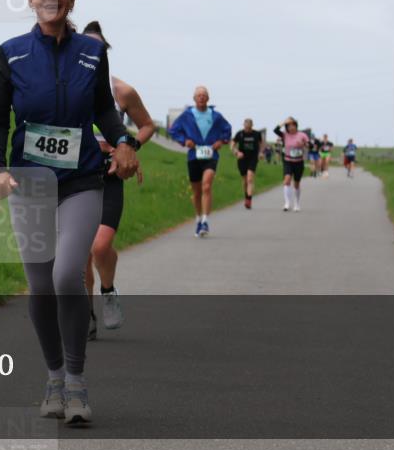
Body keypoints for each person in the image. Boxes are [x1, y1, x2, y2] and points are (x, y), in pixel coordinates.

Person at [0, 0, 136, 425]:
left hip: (80, 180)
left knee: (67, 274)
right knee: (39, 285)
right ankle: (52, 378)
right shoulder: (11, 53)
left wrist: (125, 141)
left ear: (71, 1)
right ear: (30, 0)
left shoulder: (91, 53)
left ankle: (75, 380)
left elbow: (104, 113)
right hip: (29, 182)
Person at [81, 21, 154, 338]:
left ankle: (108, 291)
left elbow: (147, 126)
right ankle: (86, 316)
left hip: (110, 174)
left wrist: (128, 149)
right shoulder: (65, 88)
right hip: (77, 173)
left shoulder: (121, 91)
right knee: (80, 251)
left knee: (101, 245)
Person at [168, 87, 232, 237]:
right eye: (199, 95)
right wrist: (185, 141)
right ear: (194, 98)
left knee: (207, 186)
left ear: (208, 98)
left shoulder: (216, 116)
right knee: (196, 192)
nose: (201, 98)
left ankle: (205, 220)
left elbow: (227, 129)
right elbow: (173, 130)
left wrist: (221, 141)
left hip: (211, 155)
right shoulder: (187, 115)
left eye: (204, 95)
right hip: (194, 155)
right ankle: (198, 218)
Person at [273, 118, 310, 211]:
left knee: (296, 183)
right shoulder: (285, 135)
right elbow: (275, 130)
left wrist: (303, 144)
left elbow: (310, 145)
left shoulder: (302, 135)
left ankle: (297, 203)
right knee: (287, 180)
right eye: (288, 126)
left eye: (292, 126)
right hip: (288, 161)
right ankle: (287, 203)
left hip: (298, 162)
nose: (290, 128)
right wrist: (284, 122)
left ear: (296, 126)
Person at [231, 119, 263, 209]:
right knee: (244, 181)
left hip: (253, 158)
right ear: (243, 126)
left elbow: (261, 144)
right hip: (242, 159)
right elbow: (232, 144)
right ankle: (246, 196)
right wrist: (236, 152)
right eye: (246, 127)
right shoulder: (240, 134)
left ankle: (249, 200)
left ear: (252, 126)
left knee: (250, 179)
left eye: (249, 127)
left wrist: (261, 152)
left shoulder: (257, 134)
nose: (247, 129)